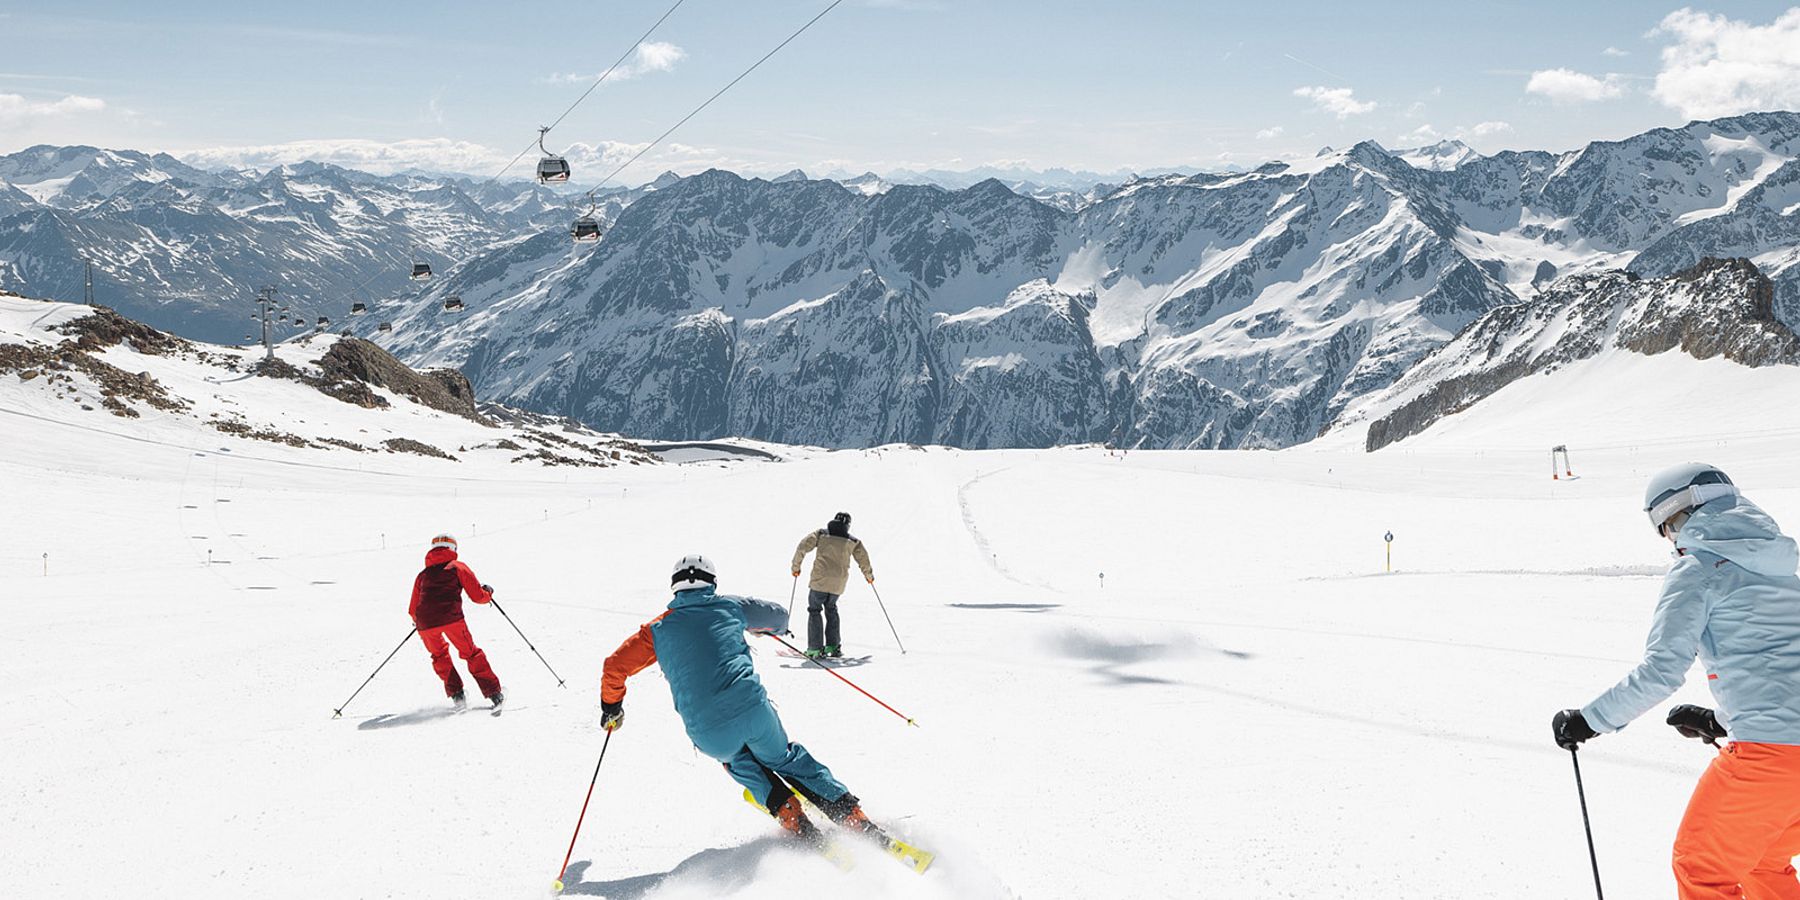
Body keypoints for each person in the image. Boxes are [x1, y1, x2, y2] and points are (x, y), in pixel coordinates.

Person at [1552, 463, 1800, 899]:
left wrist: (1588, 721)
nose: (1669, 540)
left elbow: (1662, 671)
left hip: (1769, 758)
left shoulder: (1698, 570)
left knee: (1700, 867)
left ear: (1680, 515)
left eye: (1664, 527)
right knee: (1761, 859)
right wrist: (1720, 721)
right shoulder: (1782, 571)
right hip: (1784, 752)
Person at [600, 555, 880, 842]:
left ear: (675, 588)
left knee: (739, 762)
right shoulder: (730, 607)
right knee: (783, 758)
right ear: (712, 583)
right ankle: (851, 815)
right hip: (754, 714)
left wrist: (612, 708)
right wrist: (760, 628)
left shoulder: (656, 631)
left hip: (708, 731)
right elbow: (779, 617)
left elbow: (614, 667)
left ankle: (791, 815)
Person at [409, 533, 502, 709]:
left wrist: (419, 620)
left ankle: (457, 695)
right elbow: (477, 596)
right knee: (470, 653)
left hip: (425, 624)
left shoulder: (422, 575)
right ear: (453, 548)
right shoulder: (457, 567)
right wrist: (488, 592)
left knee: (439, 656)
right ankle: (494, 693)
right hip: (451, 618)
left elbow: (413, 608)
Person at [790, 513, 875, 658]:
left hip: (820, 580)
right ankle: (833, 646)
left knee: (815, 610)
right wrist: (869, 576)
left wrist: (796, 567)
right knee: (831, 609)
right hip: (838, 583)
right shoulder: (853, 541)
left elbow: (802, 547)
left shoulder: (821, 534)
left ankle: (814, 648)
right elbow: (863, 559)